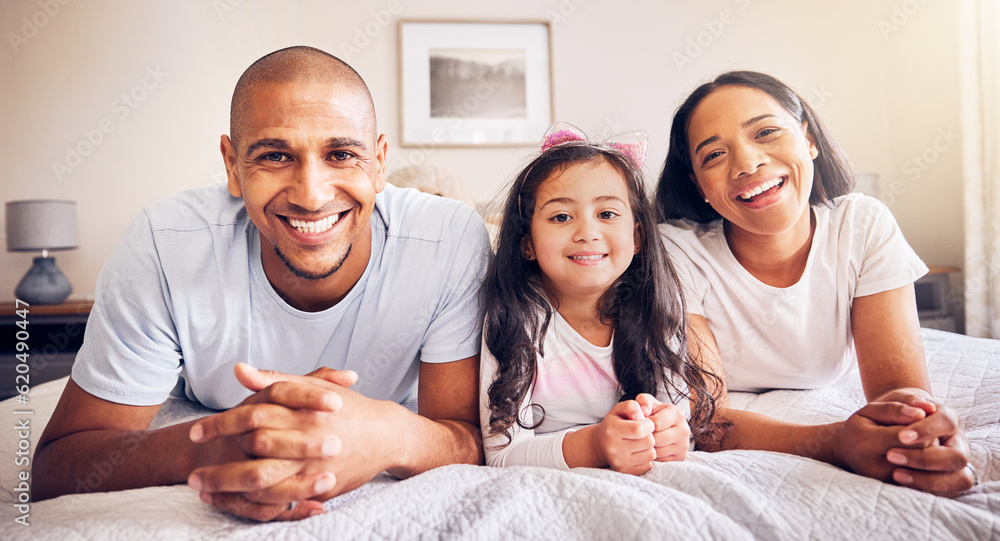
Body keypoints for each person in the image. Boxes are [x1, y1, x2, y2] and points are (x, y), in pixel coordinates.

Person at [34, 46, 490, 521]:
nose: (312, 195)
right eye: (275, 156)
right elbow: (57, 463)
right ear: (231, 166)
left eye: (340, 154)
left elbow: (469, 435)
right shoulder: (166, 244)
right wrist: (204, 449)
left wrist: (389, 434)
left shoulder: (448, 238)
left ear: (378, 163)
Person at [657, 70, 975, 496]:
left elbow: (900, 394)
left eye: (766, 132)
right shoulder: (677, 250)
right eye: (713, 155)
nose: (748, 164)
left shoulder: (863, 223)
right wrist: (837, 442)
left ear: (809, 139)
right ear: (700, 188)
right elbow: (709, 421)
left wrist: (917, 438)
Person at [479, 122, 720, 473]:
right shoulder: (515, 318)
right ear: (526, 243)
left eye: (607, 214)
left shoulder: (658, 309)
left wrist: (671, 433)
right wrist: (595, 444)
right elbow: (501, 455)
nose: (587, 232)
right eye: (561, 216)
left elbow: (681, 423)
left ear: (637, 238)